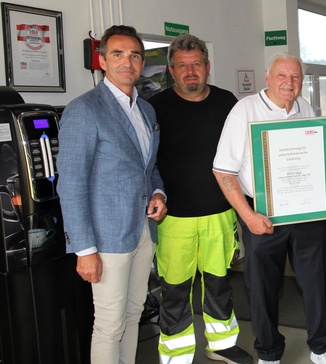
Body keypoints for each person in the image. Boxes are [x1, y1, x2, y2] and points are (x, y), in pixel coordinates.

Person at [212, 52, 326, 364]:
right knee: (261, 288)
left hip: (307, 212)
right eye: (282, 76)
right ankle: (269, 353)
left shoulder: (306, 107)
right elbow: (222, 170)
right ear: (267, 77)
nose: (289, 83)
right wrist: (248, 216)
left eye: (296, 77)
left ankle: (322, 348)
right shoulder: (244, 110)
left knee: (316, 282)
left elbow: (313, 160)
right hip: (262, 215)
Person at [56, 25, 168, 364]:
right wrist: (84, 249)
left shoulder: (145, 110)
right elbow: (71, 183)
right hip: (105, 240)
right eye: (117, 54)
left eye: (135, 55)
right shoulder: (84, 110)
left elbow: (149, 167)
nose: (127, 62)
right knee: (108, 324)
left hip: (142, 232)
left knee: (133, 314)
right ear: (102, 61)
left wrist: (159, 193)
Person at [148, 34, 253, 364]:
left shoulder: (228, 104)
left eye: (196, 64)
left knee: (219, 284)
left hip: (220, 214)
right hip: (174, 219)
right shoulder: (155, 108)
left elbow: (246, 152)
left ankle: (221, 345)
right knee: (175, 289)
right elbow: (145, 162)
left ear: (208, 67)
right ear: (171, 70)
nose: (190, 71)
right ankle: (176, 355)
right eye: (182, 66)